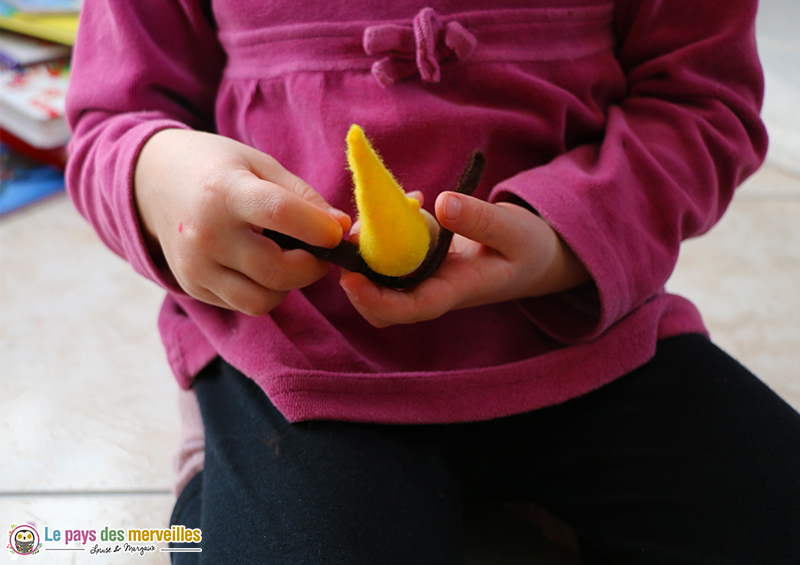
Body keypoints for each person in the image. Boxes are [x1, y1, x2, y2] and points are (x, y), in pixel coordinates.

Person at [66, 0, 800, 563]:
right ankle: (224, 473)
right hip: (304, 367)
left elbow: (703, 105)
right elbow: (112, 121)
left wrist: (561, 242)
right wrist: (156, 180)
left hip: (591, 338)